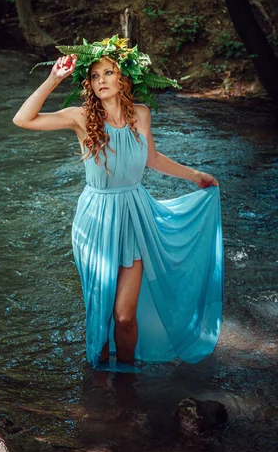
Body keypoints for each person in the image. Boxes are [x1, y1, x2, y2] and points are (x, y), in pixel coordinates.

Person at [13, 36, 224, 372]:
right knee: (101, 312)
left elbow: (152, 158)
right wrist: (54, 78)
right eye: (95, 76)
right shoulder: (81, 117)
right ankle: (100, 384)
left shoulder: (141, 114)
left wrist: (194, 174)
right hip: (95, 219)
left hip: (134, 215)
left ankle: (126, 384)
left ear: (123, 77)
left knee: (124, 317)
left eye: (108, 73)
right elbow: (23, 120)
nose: (101, 81)